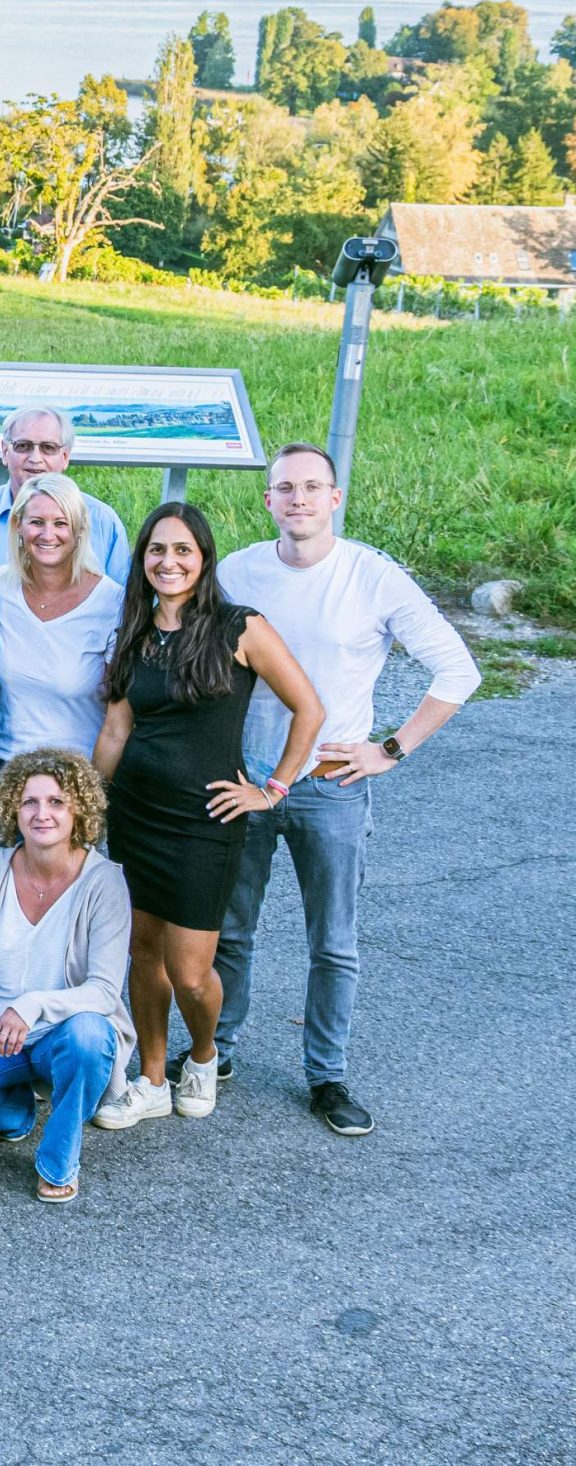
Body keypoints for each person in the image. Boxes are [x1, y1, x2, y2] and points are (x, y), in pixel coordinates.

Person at [212, 443, 482, 1136]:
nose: (298, 499)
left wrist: (390, 749)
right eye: (285, 488)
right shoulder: (237, 571)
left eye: (312, 487)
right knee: (231, 930)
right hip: (248, 780)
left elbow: (458, 670)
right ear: (268, 500)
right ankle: (216, 1051)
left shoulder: (372, 576)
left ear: (335, 498)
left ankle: (326, 1076)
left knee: (332, 943)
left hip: (330, 786)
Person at [88, 502, 323, 1130]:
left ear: (203, 558)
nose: (168, 562)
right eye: (157, 550)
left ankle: (203, 1056)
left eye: (182, 550)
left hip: (205, 823)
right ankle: (152, 1079)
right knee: (142, 953)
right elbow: (115, 730)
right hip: (136, 816)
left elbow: (309, 708)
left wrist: (272, 790)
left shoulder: (240, 628)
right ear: (142, 560)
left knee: (191, 972)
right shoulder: (134, 633)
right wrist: (89, 809)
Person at [0, 750, 135, 1204]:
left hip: (65, 1031)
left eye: (56, 802)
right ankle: (15, 1109)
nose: (42, 814)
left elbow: (104, 991)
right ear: (11, 810)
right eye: (29, 802)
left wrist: (33, 1004)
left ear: (78, 811)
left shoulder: (104, 883)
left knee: (90, 1038)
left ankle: (59, 1159)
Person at [0, 471, 124, 769]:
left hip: (76, 770)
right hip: (2, 765)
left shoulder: (112, 602)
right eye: (36, 522)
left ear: (80, 530)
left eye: (61, 523)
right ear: (18, 525)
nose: (48, 535)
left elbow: (119, 716)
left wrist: (97, 787)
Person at [0, 406, 132, 587]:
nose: (35, 458)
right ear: (5, 452)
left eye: (48, 448)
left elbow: (123, 597)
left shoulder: (103, 522)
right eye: (23, 446)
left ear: (65, 457)